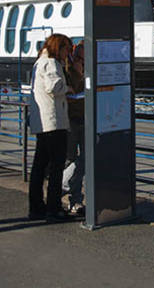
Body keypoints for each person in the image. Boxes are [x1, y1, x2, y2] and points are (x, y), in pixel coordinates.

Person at [28, 34, 74, 222]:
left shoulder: (39, 62)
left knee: (39, 166)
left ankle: (37, 206)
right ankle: (53, 208)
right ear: (59, 47)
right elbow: (54, 86)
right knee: (56, 166)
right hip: (53, 122)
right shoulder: (51, 63)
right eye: (66, 49)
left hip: (42, 123)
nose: (67, 54)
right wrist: (69, 88)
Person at [62, 41, 85, 216]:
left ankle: (75, 198)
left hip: (87, 117)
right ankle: (69, 194)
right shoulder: (67, 71)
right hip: (70, 118)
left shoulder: (90, 68)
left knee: (85, 159)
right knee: (70, 159)